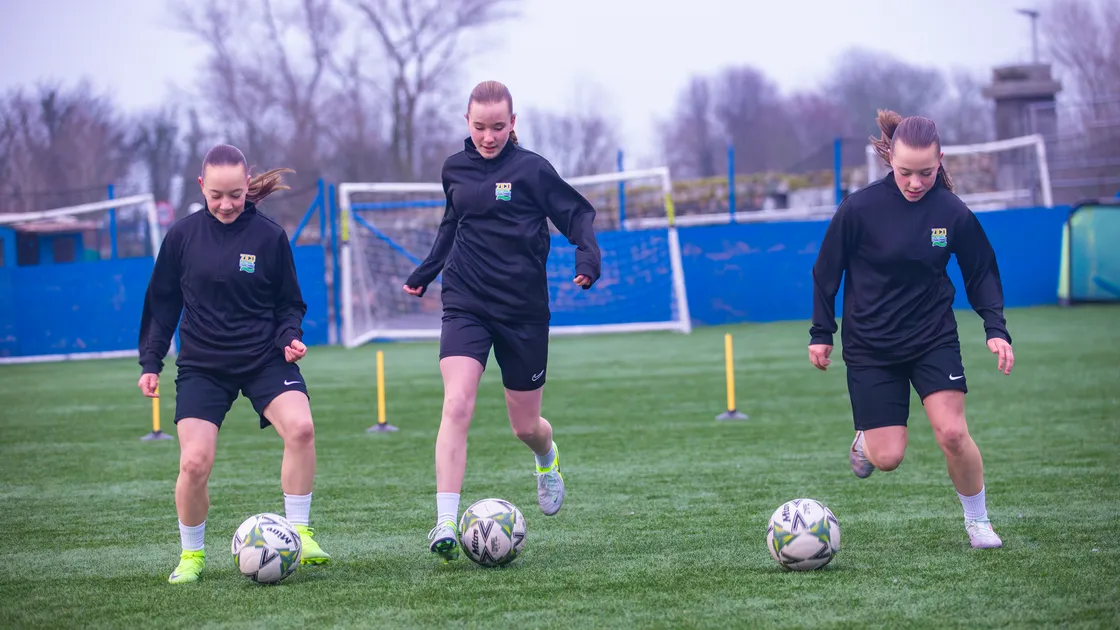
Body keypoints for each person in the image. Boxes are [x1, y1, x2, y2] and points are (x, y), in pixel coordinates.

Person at [403, 80, 602, 563]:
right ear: (466, 123)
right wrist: (426, 273)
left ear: (513, 124)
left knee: (526, 425)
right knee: (456, 404)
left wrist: (587, 258)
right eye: (478, 127)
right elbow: (452, 224)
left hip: (523, 311)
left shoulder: (532, 170)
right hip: (466, 301)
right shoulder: (455, 169)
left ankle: (546, 458)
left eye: (497, 127)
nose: (487, 136)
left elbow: (577, 213)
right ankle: (445, 522)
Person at [808, 109, 1014, 550]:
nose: (915, 183)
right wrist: (821, 333)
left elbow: (981, 271)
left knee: (953, 433)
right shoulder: (860, 208)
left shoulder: (951, 213)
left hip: (931, 338)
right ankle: (866, 440)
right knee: (888, 458)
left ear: (940, 160)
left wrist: (995, 328)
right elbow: (827, 271)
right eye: (905, 173)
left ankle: (977, 521)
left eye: (925, 172)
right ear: (890, 160)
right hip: (871, 346)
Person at [137, 144, 331, 584]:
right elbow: (162, 304)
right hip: (203, 364)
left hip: (263, 357)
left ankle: (299, 531)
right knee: (194, 464)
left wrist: (290, 338)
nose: (226, 205)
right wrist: (151, 361)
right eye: (217, 195)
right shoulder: (183, 237)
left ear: (248, 187)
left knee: (301, 428)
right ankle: (192, 555)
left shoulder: (268, 236)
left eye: (236, 195)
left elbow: (289, 303)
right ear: (202, 187)